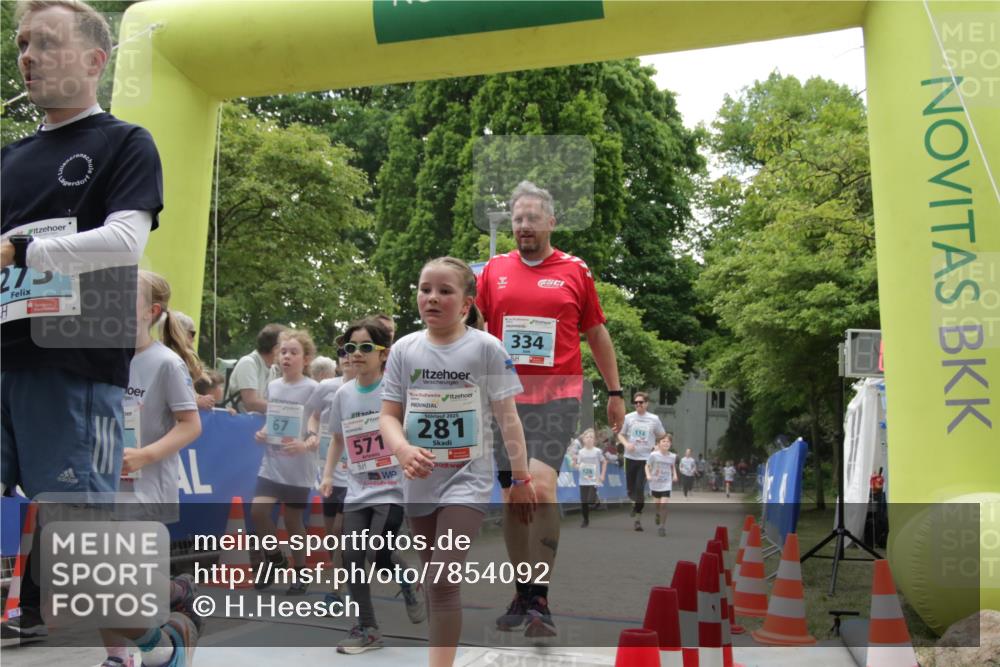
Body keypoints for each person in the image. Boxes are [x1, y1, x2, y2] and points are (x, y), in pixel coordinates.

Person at [1, 0, 164, 644]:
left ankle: (143, 645)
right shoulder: (9, 156)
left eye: (45, 42)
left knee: (82, 542)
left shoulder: (124, 141)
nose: (28, 56)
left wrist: (22, 249)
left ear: (95, 61)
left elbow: (126, 241)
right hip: (4, 353)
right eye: (21, 44)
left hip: (73, 354)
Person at [476, 181, 625, 637]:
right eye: (517, 218)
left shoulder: (575, 270)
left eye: (532, 218)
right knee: (512, 497)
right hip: (504, 400)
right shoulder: (493, 271)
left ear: (551, 222)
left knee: (539, 488)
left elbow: (596, 334)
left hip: (558, 396)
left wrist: (615, 392)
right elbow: (476, 329)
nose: (523, 226)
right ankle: (523, 592)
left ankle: (539, 596)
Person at [381, 257, 535, 667]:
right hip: (419, 481)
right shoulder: (404, 349)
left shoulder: (486, 348)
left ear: (466, 304)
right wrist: (403, 450)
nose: (432, 297)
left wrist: (519, 478)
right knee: (435, 583)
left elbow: (508, 418)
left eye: (445, 291)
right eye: (424, 288)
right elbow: (388, 416)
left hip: (467, 480)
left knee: (444, 579)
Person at [98, 270, 203, 667]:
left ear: (151, 311)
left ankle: (174, 598)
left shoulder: (165, 364)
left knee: (127, 586)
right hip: (102, 487)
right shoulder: (102, 358)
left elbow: (191, 425)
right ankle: (117, 657)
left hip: (147, 490)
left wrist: (145, 455)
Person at [320, 318, 425, 654]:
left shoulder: (395, 392)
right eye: (351, 348)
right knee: (351, 557)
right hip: (358, 490)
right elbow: (338, 439)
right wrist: (326, 474)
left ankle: (407, 581)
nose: (356, 354)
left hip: (394, 488)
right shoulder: (343, 394)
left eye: (366, 347)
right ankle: (368, 629)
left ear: (384, 354)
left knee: (378, 553)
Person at [251, 329, 318, 594]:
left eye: (293, 352)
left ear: (307, 358)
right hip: (272, 462)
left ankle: (300, 573)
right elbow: (273, 421)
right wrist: (263, 433)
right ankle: (276, 558)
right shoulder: (274, 386)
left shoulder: (313, 389)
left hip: (299, 467)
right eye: (283, 352)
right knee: (258, 511)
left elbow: (318, 426)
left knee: (292, 521)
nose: (287, 357)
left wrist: (307, 443)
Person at [618, 391, 666, 531]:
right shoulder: (628, 418)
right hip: (630, 457)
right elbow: (620, 434)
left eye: (641, 402)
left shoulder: (654, 419)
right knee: (630, 490)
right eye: (636, 402)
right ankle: (635, 503)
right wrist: (626, 444)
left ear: (646, 403)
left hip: (646, 459)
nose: (638, 405)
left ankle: (638, 519)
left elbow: (662, 434)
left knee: (639, 488)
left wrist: (657, 446)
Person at [225, 323, 287, 413]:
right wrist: (286, 410)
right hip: (238, 423)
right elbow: (251, 403)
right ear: (276, 348)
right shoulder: (248, 363)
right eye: (285, 349)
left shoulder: (273, 369)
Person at [646, 435, 678, 537]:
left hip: (666, 484)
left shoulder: (673, 456)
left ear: (670, 444)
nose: (666, 443)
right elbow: (647, 466)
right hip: (655, 483)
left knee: (664, 505)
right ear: (659, 443)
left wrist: (675, 475)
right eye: (663, 441)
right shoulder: (653, 455)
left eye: (668, 442)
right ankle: (657, 514)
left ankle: (662, 527)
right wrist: (648, 475)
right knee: (658, 505)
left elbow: (672, 466)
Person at [573, 428, 605, 528]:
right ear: (583, 440)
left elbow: (604, 462)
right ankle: (585, 520)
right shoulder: (581, 452)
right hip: (583, 480)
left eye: (591, 437)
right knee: (584, 502)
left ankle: (596, 499)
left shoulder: (597, 451)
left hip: (594, 480)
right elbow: (577, 466)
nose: (589, 439)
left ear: (594, 440)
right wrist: (575, 464)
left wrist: (602, 474)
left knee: (590, 501)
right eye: (587, 437)